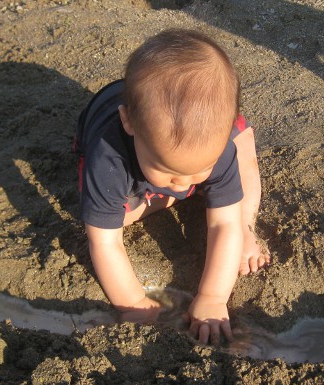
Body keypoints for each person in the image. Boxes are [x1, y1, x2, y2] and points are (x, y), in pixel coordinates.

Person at [75, 28, 269, 345]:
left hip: (195, 138)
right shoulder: (108, 157)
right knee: (108, 218)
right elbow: (105, 243)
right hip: (105, 136)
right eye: (168, 171)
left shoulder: (216, 146)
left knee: (242, 142)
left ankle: (249, 226)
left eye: (199, 170)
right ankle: (160, 188)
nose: (183, 183)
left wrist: (213, 296)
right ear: (129, 123)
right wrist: (134, 306)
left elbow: (224, 223)